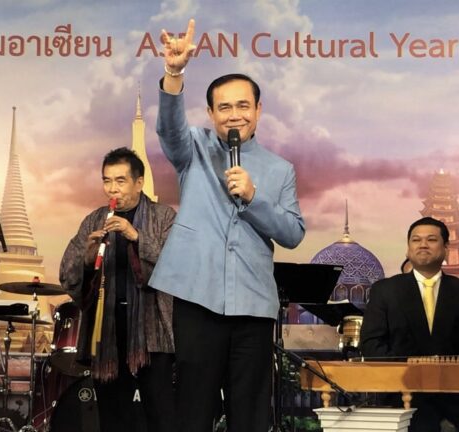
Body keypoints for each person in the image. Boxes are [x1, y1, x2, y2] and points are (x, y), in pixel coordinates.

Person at [149, 19, 306, 432]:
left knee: (250, 414)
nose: (233, 115)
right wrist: (175, 72)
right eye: (224, 107)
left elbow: (292, 233)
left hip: (253, 304)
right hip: (197, 298)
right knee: (194, 410)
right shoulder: (194, 148)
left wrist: (255, 198)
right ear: (211, 113)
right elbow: (169, 130)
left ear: (257, 111)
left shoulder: (279, 169)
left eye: (242, 106)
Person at [59, 147, 176, 432]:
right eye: (107, 180)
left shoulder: (163, 217)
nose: (113, 188)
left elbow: (177, 267)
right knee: (113, 417)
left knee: (160, 416)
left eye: (120, 181)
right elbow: (67, 273)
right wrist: (87, 261)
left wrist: (135, 236)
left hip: (153, 336)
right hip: (108, 333)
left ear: (139, 182)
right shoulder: (94, 220)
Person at [360, 217, 459, 432]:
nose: (423, 244)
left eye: (431, 239)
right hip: (404, 389)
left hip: (456, 391)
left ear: (445, 249)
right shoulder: (385, 291)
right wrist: (411, 372)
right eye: (416, 240)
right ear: (408, 249)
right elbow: (372, 345)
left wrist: (448, 375)